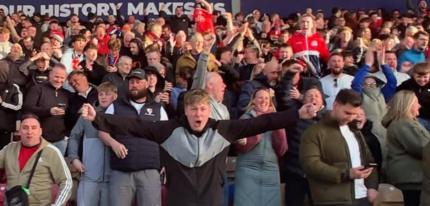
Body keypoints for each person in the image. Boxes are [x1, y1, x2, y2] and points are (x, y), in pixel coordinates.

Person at [81, 88, 319, 206]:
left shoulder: (224, 130)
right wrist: (98, 118)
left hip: (212, 199)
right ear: (185, 110)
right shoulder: (167, 130)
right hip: (179, 200)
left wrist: (297, 113)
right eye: (193, 109)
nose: (198, 113)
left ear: (209, 110)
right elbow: (133, 125)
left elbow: (264, 121)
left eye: (203, 109)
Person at [300, 89, 379, 206]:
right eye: (347, 113)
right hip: (331, 200)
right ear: (335, 105)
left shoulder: (355, 132)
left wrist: (372, 186)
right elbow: (310, 165)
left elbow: (369, 161)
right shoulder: (313, 132)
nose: (351, 118)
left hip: (362, 198)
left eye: (355, 114)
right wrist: (346, 174)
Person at [101, 68, 168, 206]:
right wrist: (114, 144)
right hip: (121, 171)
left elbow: (166, 136)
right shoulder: (116, 106)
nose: (134, 85)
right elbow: (102, 131)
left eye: (138, 82)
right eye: (131, 82)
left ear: (146, 83)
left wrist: (165, 161)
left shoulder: (157, 108)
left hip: (149, 170)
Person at [0, 114, 72, 205]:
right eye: (25, 128)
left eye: (34, 128)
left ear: (40, 131)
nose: (29, 131)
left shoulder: (51, 151)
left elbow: (66, 182)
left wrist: (58, 204)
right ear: (19, 131)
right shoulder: (9, 148)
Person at [67, 82, 118, 206]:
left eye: (107, 94)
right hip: (89, 175)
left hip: (114, 178)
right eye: (101, 94)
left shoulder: (121, 116)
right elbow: (74, 136)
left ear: (115, 97)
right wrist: (74, 159)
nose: (103, 97)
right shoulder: (87, 114)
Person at [234, 88, 287, 206]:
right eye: (260, 98)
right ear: (253, 101)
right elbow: (240, 147)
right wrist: (257, 128)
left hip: (270, 170)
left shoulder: (276, 119)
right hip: (247, 169)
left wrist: (277, 126)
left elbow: (282, 149)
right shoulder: (245, 119)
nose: (263, 101)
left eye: (266, 98)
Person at [381, 91, 430, 206]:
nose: (419, 105)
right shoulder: (403, 124)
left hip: (412, 178)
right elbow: (423, 148)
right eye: (416, 102)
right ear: (407, 104)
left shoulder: (404, 123)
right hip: (411, 179)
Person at [23, 64, 70, 155]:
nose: (59, 80)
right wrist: (49, 111)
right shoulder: (37, 89)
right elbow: (27, 108)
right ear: (50, 75)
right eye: (56, 76)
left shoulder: (66, 94)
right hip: (40, 139)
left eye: (62, 77)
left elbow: (69, 115)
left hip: (61, 140)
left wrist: (66, 135)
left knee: (57, 168)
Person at [397, 63, 430, 132]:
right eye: (418, 77)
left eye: (425, 77)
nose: (422, 79)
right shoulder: (407, 84)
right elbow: (398, 94)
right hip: (415, 117)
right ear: (413, 74)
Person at [0, 60, 22, 149]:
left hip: (5, 130)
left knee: (4, 154)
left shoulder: (14, 87)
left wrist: (2, 103)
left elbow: (18, 106)